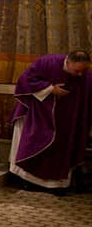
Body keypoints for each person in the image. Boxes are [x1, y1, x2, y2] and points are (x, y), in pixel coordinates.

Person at [8, 50, 91, 192]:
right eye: (77, 71)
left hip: (65, 119)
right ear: (69, 62)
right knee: (35, 141)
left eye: (82, 71)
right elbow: (25, 80)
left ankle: (56, 185)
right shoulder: (47, 62)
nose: (80, 75)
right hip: (37, 113)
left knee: (62, 146)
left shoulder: (84, 74)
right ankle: (28, 181)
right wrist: (50, 89)